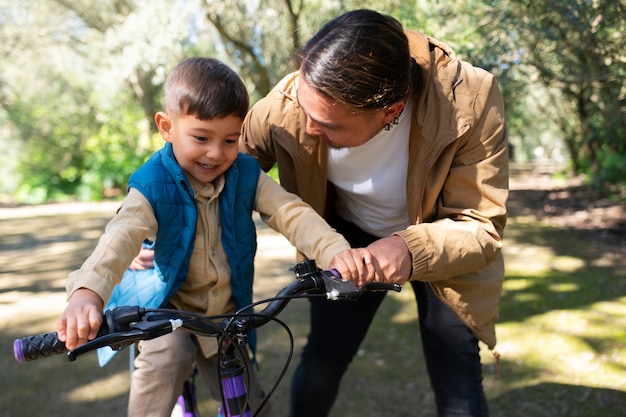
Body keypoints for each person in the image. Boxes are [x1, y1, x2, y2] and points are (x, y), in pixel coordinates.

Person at [55, 57, 372, 417]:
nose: (216, 153)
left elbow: (290, 212)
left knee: (251, 405)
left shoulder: (245, 174)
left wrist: (334, 251)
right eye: (201, 138)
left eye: (230, 140)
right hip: (166, 312)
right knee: (166, 359)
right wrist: (86, 294)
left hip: (225, 316)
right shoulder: (152, 182)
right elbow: (120, 237)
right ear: (166, 127)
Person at [239, 9, 509, 417]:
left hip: (441, 241)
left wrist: (406, 248)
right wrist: (152, 235)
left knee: (459, 385)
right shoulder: (286, 103)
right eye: (304, 108)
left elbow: (481, 225)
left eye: (327, 124)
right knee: (323, 365)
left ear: (390, 110)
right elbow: (213, 174)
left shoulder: (470, 98)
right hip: (348, 242)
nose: (309, 128)